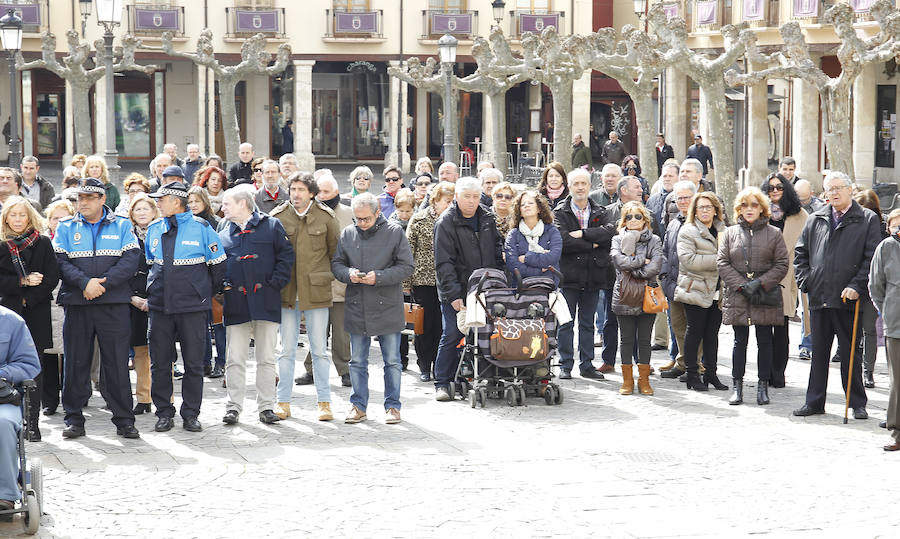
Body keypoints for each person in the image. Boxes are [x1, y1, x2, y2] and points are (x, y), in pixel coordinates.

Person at [53, 179, 141, 439]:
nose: (83, 202)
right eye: (80, 198)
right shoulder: (66, 227)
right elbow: (60, 261)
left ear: (103, 199)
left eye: (89, 197)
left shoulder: (123, 225)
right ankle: (74, 418)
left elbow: (131, 260)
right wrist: (85, 283)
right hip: (78, 302)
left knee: (115, 363)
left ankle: (124, 419)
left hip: (112, 303)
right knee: (75, 362)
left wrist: (104, 284)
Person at [793, 171, 881, 419]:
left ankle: (857, 403)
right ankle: (814, 402)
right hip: (819, 297)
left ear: (850, 189)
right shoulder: (816, 218)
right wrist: (806, 281)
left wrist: (856, 285)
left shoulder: (866, 219)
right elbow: (801, 255)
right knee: (818, 354)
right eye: (829, 189)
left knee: (850, 355)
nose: (833, 193)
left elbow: (871, 259)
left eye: (838, 188)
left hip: (848, 299)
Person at [145, 182, 226, 433]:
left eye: (162, 199)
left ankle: (191, 413)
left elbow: (218, 267)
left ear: (177, 201)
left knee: (193, 364)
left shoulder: (202, 228)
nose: (157, 203)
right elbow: (150, 264)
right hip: (160, 307)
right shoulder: (154, 229)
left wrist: (201, 294)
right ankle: (164, 413)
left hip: (192, 308)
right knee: (160, 363)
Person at [332, 192, 414, 424]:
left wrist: (378, 277)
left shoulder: (395, 232)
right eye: (357, 219)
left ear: (378, 213)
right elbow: (337, 263)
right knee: (357, 361)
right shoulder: (348, 233)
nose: (361, 224)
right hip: (357, 304)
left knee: (392, 360)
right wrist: (348, 274)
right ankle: (358, 405)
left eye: (366, 219)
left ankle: (393, 406)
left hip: (387, 303)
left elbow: (407, 267)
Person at [219, 188, 294, 425]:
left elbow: (286, 257)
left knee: (266, 357)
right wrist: (224, 287)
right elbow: (218, 264)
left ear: (243, 204)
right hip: (236, 303)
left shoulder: (271, 226)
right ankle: (233, 407)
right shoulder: (223, 231)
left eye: (227, 204)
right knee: (235, 358)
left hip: (266, 300)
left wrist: (274, 285)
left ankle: (266, 407)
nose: (223, 209)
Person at [271, 173, 340, 421]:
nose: (296, 194)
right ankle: (283, 401)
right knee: (286, 350)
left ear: (312, 192)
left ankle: (324, 402)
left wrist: (324, 277)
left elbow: (336, 254)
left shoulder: (326, 218)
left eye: (301, 189)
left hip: (317, 291)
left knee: (320, 350)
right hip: (287, 291)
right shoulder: (278, 217)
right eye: (293, 189)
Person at [433, 177, 504, 400]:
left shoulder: (486, 218)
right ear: (457, 197)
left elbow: (496, 248)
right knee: (453, 333)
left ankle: (476, 376)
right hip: (457, 289)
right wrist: (453, 295)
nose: (472, 202)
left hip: (485, 288)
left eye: (475, 197)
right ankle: (442, 382)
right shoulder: (446, 222)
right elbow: (443, 263)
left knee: (484, 334)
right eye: (467, 197)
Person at [718, 187, 789, 406]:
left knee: (765, 341)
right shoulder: (730, 233)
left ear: (762, 208)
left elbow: (782, 264)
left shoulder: (774, 233)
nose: (749, 209)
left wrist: (759, 283)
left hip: (764, 293)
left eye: (754, 204)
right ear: (738, 208)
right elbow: (722, 262)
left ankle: (763, 386)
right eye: (744, 205)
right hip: (738, 293)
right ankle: (737, 386)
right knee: (740, 342)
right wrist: (741, 285)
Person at [0, 197, 59, 440]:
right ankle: (9, 420)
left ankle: (32, 424)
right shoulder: (1, 245)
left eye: (21, 215)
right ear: (5, 218)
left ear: (30, 217)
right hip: (7, 315)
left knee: (35, 368)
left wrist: (29, 299)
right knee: (8, 368)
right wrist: (21, 282)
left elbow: (51, 277)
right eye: (12, 215)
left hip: (36, 313)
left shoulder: (43, 243)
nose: (17, 219)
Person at [553, 168, 615, 380]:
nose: (580, 187)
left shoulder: (600, 210)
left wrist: (583, 234)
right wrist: (592, 244)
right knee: (566, 322)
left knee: (588, 322)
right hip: (568, 276)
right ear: (569, 186)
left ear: (590, 186)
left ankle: (587, 364)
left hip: (593, 274)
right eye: (576, 183)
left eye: (584, 183)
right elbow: (562, 241)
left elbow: (609, 234)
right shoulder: (559, 212)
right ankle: (565, 364)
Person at [294, 173, 353, 390]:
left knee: (340, 333)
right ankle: (311, 369)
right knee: (316, 331)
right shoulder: (308, 214)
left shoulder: (348, 213)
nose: (322, 196)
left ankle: (344, 370)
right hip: (317, 283)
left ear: (336, 193)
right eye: (319, 192)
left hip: (341, 283)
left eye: (326, 192)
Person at [610, 201, 663, 395]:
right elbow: (618, 261)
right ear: (623, 220)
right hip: (623, 295)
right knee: (626, 339)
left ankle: (644, 380)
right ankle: (627, 381)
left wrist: (633, 269)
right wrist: (642, 261)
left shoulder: (654, 240)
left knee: (644, 340)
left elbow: (655, 267)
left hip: (647, 294)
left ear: (645, 220)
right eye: (629, 217)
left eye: (637, 216)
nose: (633, 220)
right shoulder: (617, 239)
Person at [676, 191, 727, 392]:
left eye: (709, 207)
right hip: (694, 288)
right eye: (701, 207)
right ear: (694, 211)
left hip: (717, 290)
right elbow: (688, 261)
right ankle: (692, 374)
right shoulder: (688, 231)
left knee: (712, 334)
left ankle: (711, 374)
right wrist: (720, 261)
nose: (705, 210)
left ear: (716, 210)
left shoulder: (723, 230)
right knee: (694, 332)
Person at [761, 174, 808, 388]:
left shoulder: (800, 216)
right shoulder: (759, 213)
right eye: (770, 188)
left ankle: (778, 374)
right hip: (762, 276)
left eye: (779, 186)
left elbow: (807, 249)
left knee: (781, 328)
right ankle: (764, 371)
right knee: (763, 328)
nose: (775, 190)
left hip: (787, 277)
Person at [407, 181, 455, 382]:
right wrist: (406, 283)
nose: (451, 205)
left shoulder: (454, 220)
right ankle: (424, 364)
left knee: (443, 326)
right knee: (424, 325)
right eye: (447, 201)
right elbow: (408, 250)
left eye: (453, 201)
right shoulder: (419, 219)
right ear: (435, 200)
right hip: (423, 279)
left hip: (447, 280)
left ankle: (440, 364)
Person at [0, 306, 41, 511]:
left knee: (3, 423)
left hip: (1, 397)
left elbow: (29, 364)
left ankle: (4, 494)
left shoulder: (11, 321)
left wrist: (3, 373)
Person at [660, 181, 698, 379]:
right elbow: (665, 251)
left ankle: (697, 365)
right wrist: (664, 276)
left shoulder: (702, 220)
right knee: (678, 326)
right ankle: (683, 362)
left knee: (695, 327)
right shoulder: (674, 222)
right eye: (678, 198)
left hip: (695, 284)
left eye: (686, 197)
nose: (682, 202)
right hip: (674, 284)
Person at [869, 209, 900, 450]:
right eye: (895, 225)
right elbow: (875, 286)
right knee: (897, 381)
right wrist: (889, 309)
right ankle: (897, 431)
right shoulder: (887, 248)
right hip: (896, 325)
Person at [41, 199, 74, 416]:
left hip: (71, 300)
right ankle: (49, 399)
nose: (59, 222)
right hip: (47, 301)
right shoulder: (43, 242)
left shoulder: (76, 240)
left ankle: (75, 396)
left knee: (74, 352)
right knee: (48, 353)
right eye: (55, 218)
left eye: (64, 218)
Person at [125, 194, 156, 415]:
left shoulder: (163, 234)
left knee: (162, 353)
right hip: (132, 300)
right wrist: (131, 297)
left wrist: (154, 299)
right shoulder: (125, 236)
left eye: (146, 208)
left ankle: (166, 398)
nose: (142, 212)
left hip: (159, 300)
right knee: (140, 352)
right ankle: (143, 398)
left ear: (154, 211)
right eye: (138, 209)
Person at [854, 189, 888, 388]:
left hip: (871, 287)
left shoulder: (882, 232)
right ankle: (855, 368)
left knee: (869, 331)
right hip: (852, 284)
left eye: (871, 211)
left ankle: (868, 371)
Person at [505, 190, 562, 287]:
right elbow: (512, 264)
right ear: (520, 212)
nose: (526, 205)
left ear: (539, 209)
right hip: (521, 288)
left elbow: (553, 257)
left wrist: (527, 258)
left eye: (530, 203)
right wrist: (538, 270)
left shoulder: (552, 231)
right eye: (523, 205)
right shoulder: (513, 234)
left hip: (549, 285)